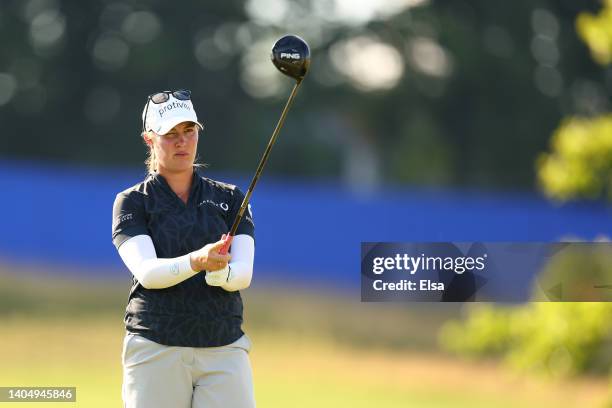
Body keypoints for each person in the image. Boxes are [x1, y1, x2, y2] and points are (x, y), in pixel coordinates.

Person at [111, 89, 256, 408]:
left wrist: (220, 274)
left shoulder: (230, 198)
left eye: (189, 131)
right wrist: (198, 261)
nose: (182, 142)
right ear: (149, 139)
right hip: (155, 345)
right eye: (170, 134)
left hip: (223, 347)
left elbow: (243, 274)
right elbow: (148, 273)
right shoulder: (133, 202)